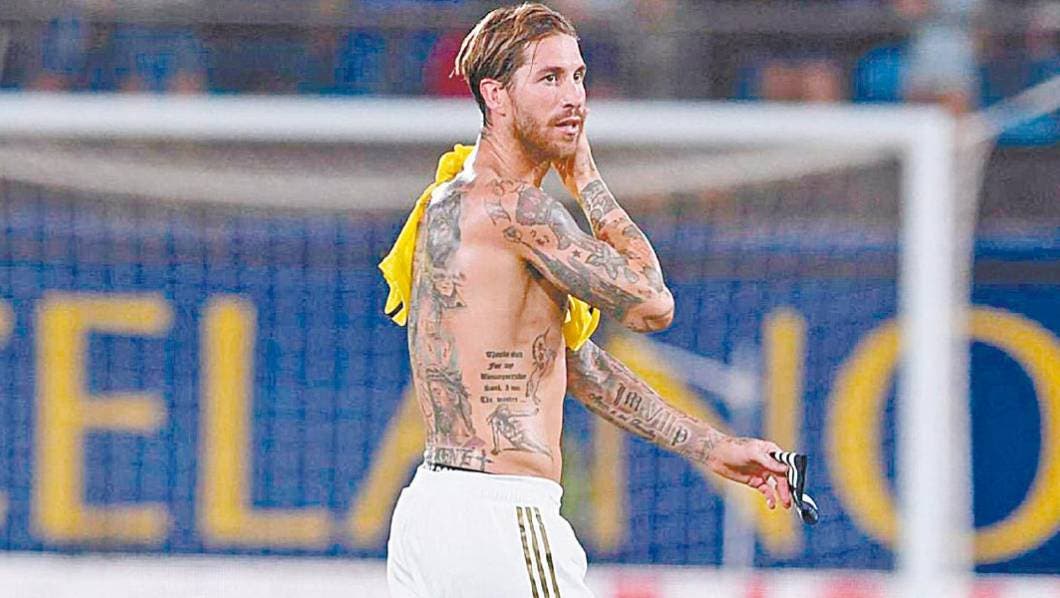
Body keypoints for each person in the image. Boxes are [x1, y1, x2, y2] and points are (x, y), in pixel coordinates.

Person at [379, 4, 795, 597]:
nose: (573, 97)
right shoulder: (517, 209)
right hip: (502, 515)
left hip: (431, 514)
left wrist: (711, 446)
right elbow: (652, 303)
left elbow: (568, 362)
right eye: (549, 78)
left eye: (578, 76)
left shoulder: (445, 201)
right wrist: (588, 180)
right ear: (496, 96)